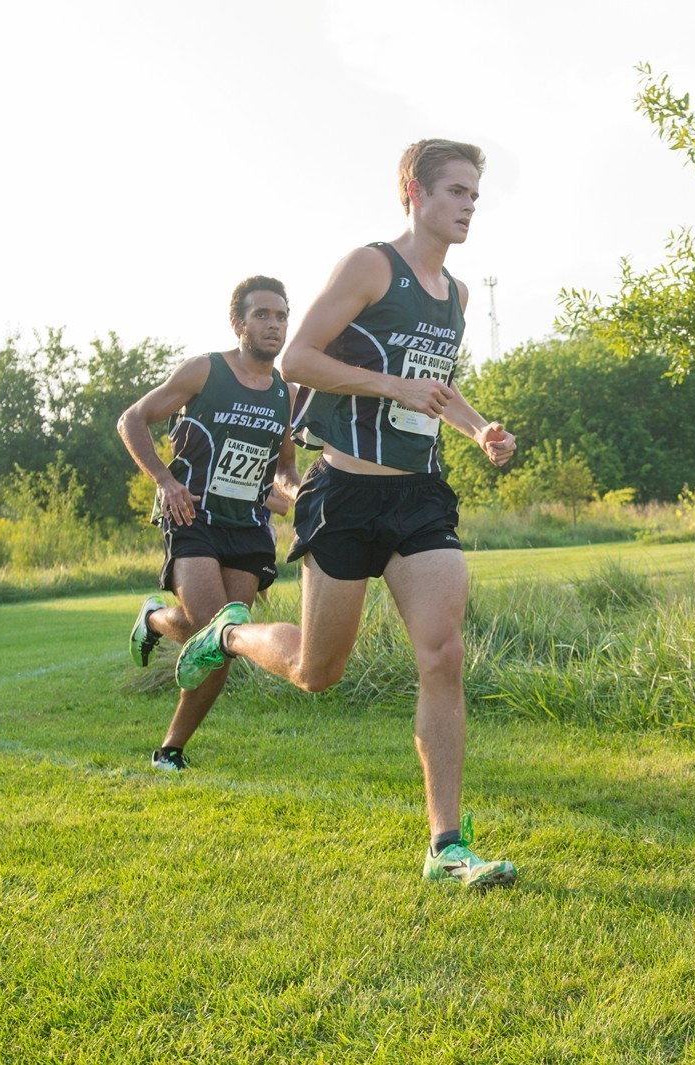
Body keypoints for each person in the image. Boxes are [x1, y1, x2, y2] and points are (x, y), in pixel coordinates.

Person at [174, 140, 519, 889]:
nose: (467, 206)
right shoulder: (371, 266)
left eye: (474, 196)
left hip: (420, 496)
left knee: (444, 655)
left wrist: (478, 427)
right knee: (316, 671)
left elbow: (437, 387)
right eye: (455, 191)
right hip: (345, 495)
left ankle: (447, 846)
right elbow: (297, 359)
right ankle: (230, 632)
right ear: (413, 192)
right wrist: (390, 386)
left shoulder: (454, 297)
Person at [118, 276, 300, 770]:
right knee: (215, 626)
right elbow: (132, 419)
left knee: (222, 644)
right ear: (238, 322)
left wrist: (294, 489)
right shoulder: (205, 371)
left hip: (248, 526)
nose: (274, 325)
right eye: (262, 315)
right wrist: (163, 480)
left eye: (281, 316)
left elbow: (282, 463)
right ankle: (155, 617)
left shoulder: (286, 390)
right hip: (192, 515)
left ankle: (170, 750)